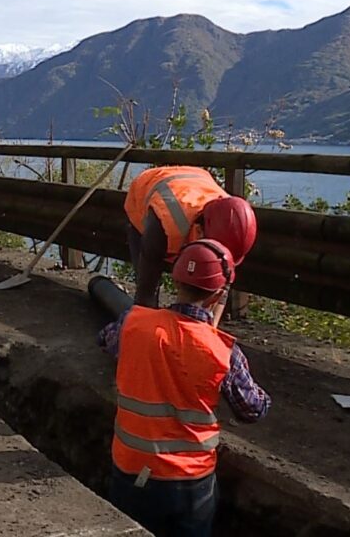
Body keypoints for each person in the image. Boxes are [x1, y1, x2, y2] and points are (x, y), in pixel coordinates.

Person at [105, 239, 270, 537]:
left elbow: (108, 341)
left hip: (130, 470)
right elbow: (253, 409)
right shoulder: (222, 352)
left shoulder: (133, 323)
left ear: (176, 278)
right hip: (188, 484)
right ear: (219, 294)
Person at [124, 166, 257, 308]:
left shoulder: (234, 224)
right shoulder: (164, 224)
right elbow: (146, 290)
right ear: (199, 231)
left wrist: (207, 327)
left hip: (196, 180)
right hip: (148, 187)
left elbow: (222, 284)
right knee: (147, 289)